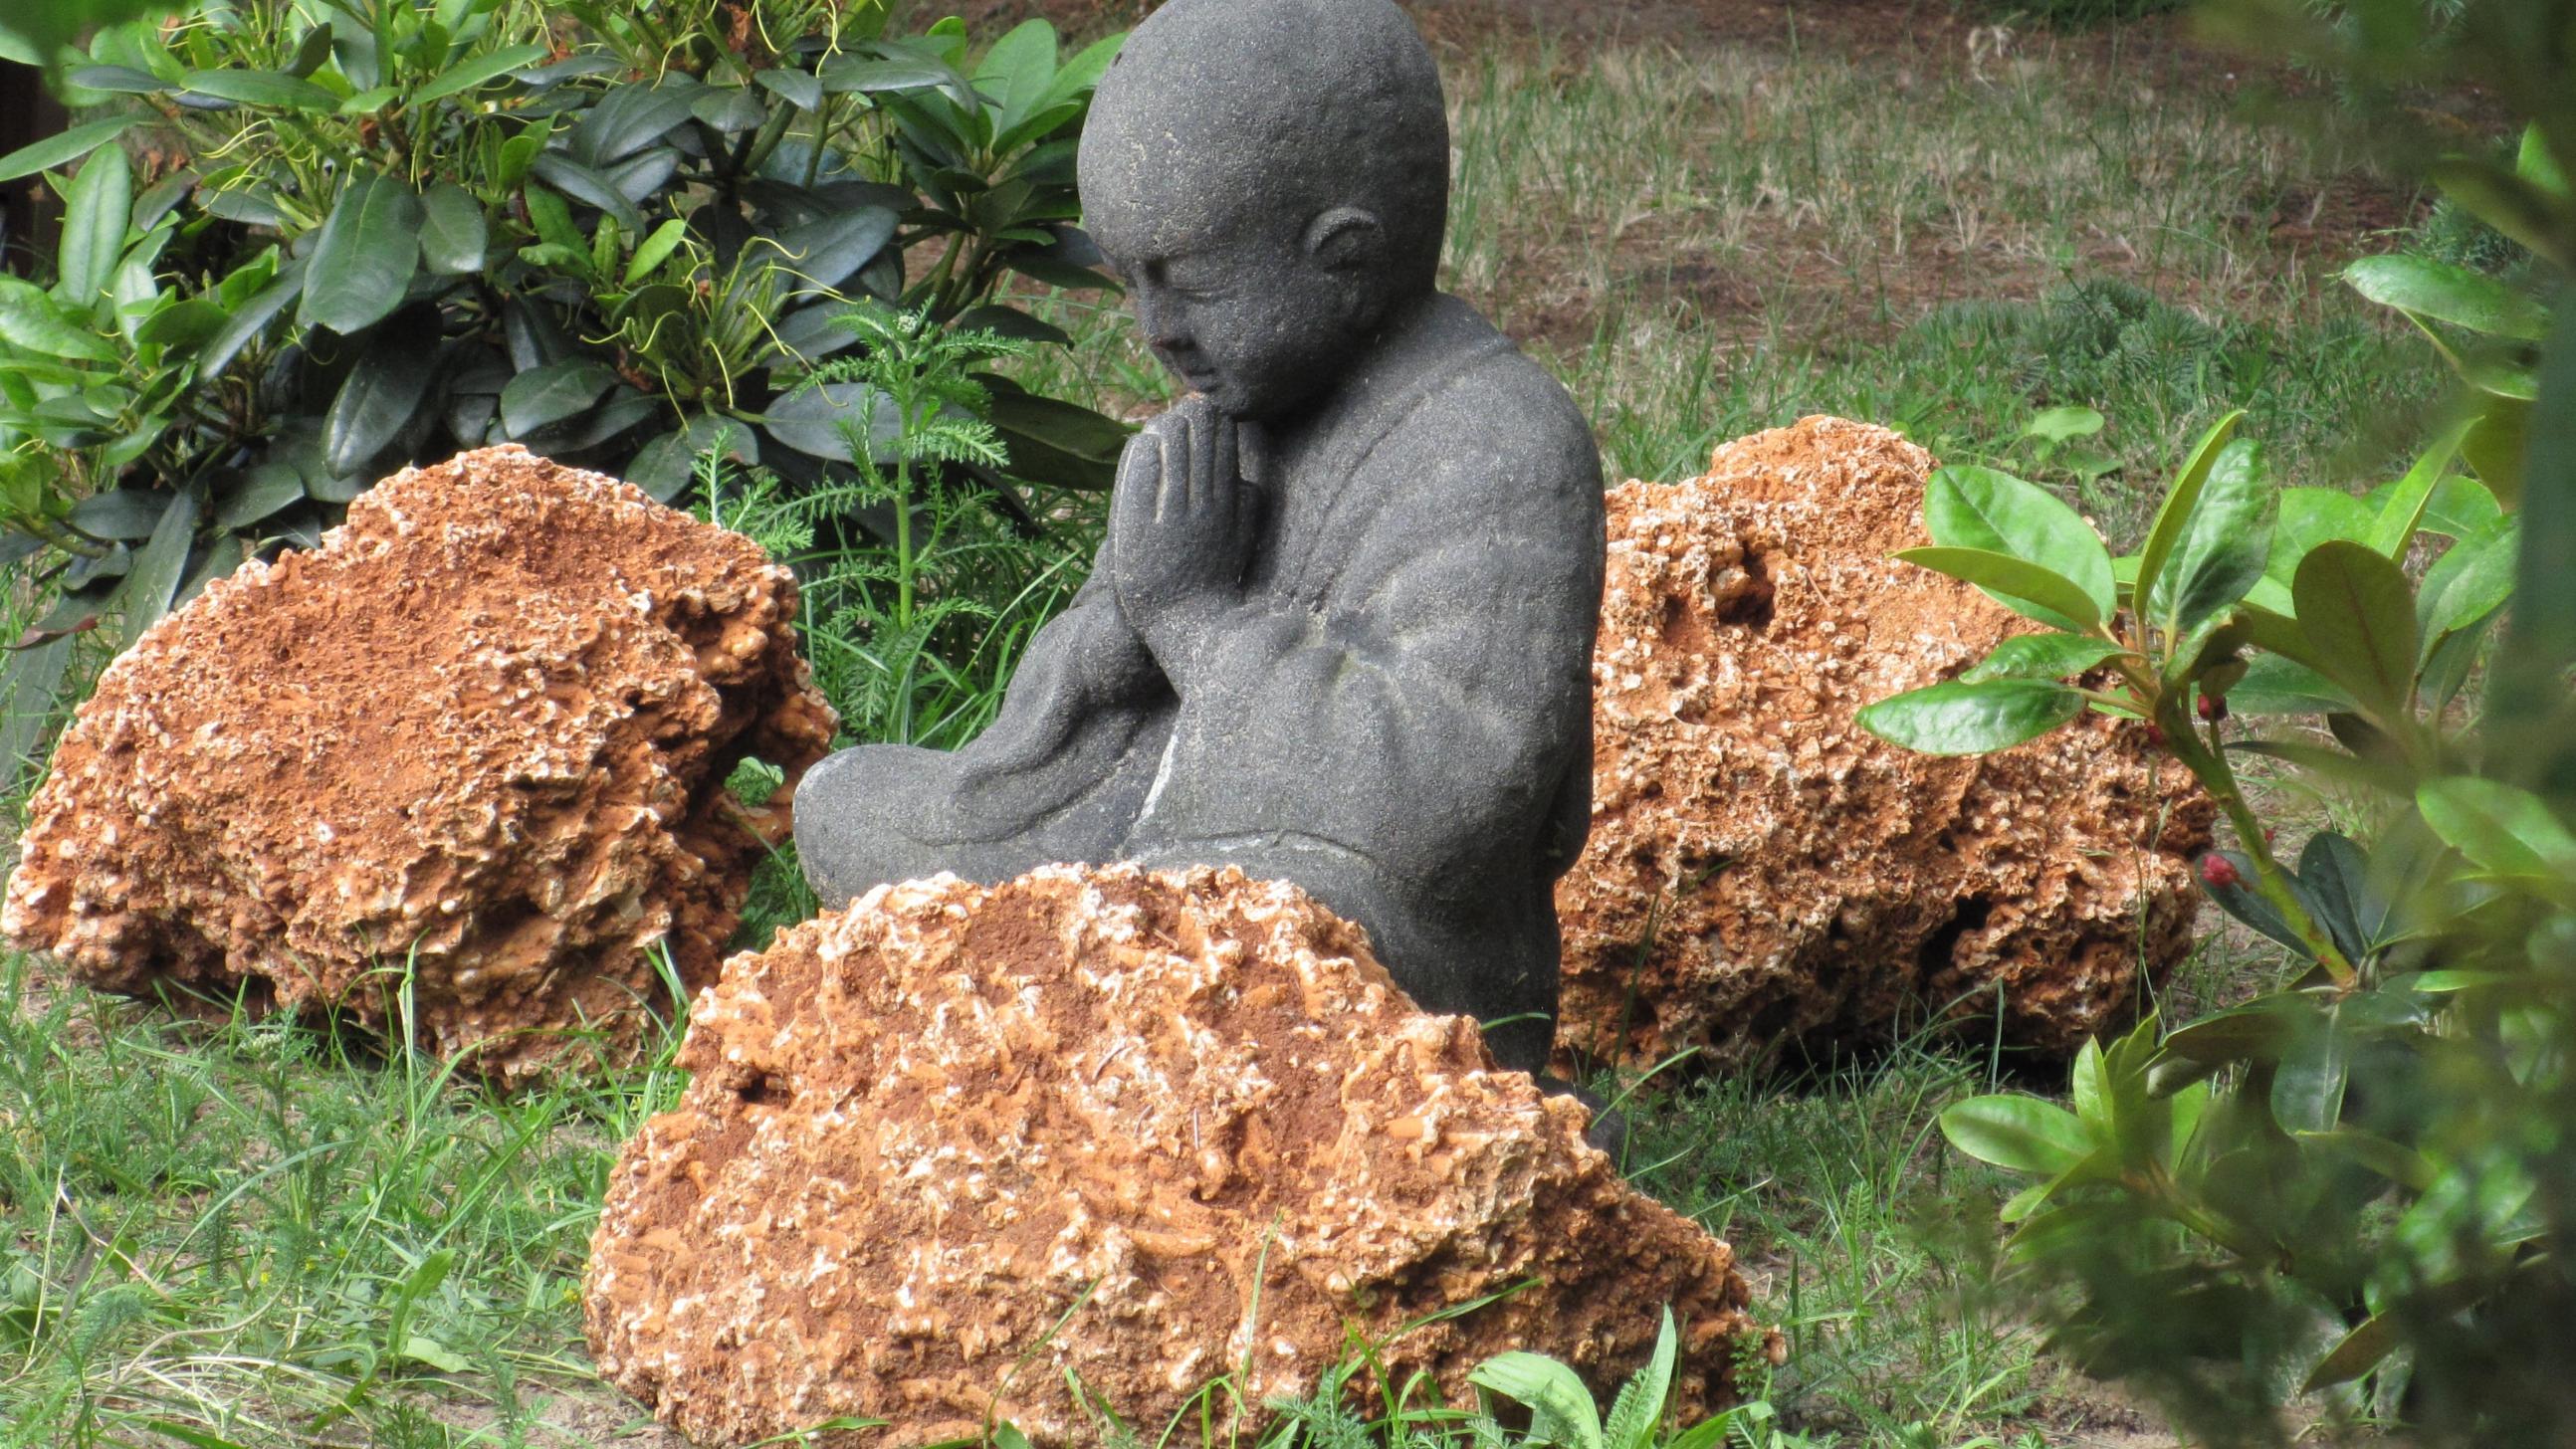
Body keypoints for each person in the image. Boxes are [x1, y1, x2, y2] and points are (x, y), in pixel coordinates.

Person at [792, 0, 1606, 1078]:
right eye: (1129, 280)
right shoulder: (1219, 423)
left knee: (1238, 930)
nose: (1154, 330)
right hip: (1147, 827)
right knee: (850, 804)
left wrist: (1197, 619)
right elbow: (1065, 719)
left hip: (1381, 920)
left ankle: (1125, 993)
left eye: (1194, 284)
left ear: (1344, 257)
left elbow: (1442, 800)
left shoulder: (1499, 446)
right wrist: (1121, 631)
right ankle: (1085, 972)